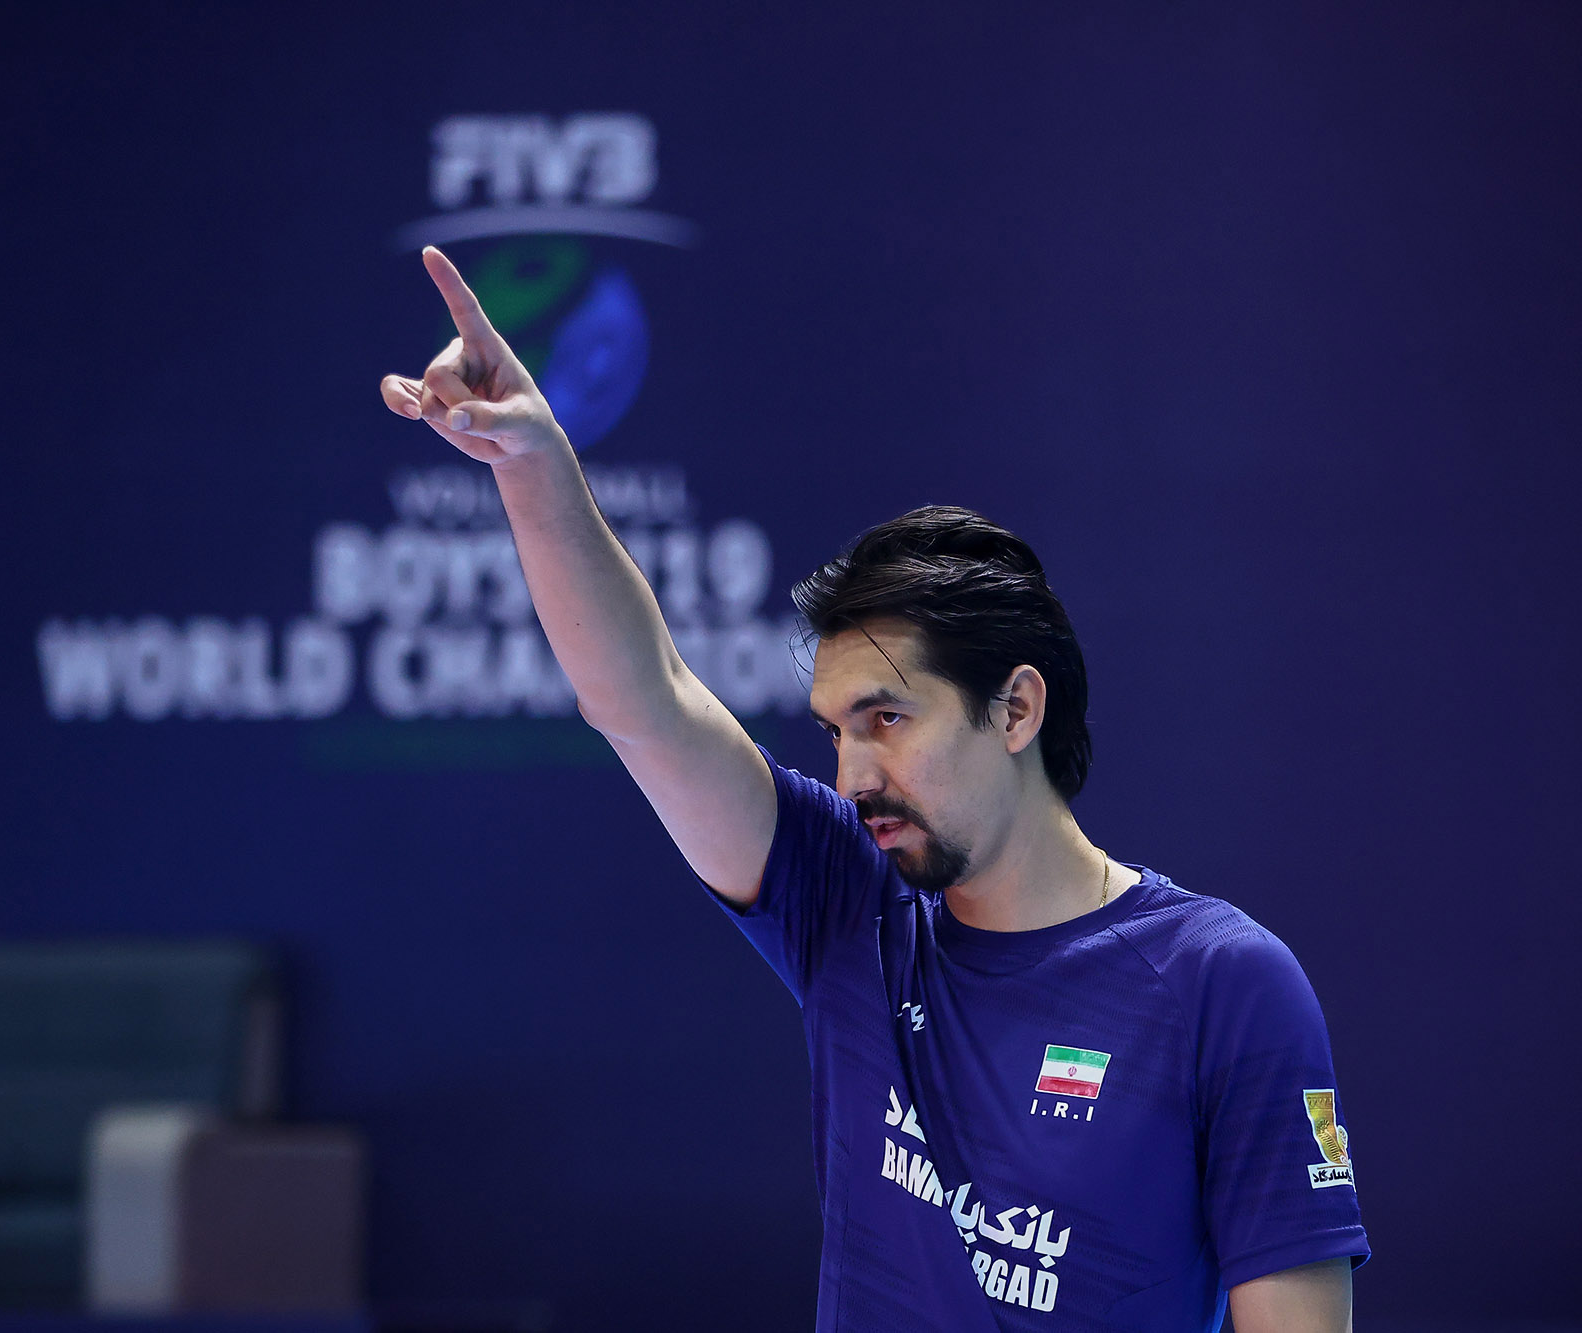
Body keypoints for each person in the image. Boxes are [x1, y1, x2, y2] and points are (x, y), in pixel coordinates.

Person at [380, 247, 1368, 1332]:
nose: (852, 776)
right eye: (835, 732)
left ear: (1015, 709)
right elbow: (642, 697)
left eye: (887, 719)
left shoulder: (1223, 984)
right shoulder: (847, 903)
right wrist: (531, 463)